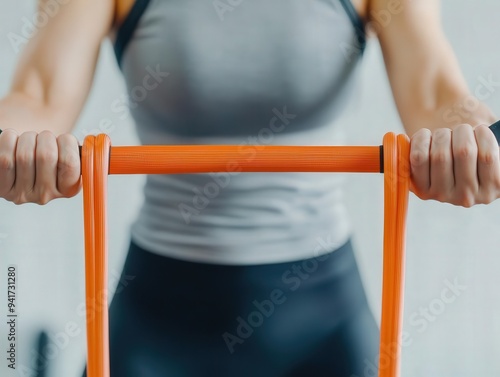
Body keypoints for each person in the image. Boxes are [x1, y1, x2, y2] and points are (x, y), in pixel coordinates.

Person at [0, 0, 498, 376]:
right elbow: (37, 94)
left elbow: (438, 94)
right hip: (158, 316)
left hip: (321, 319)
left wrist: (471, 141)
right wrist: (17, 143)